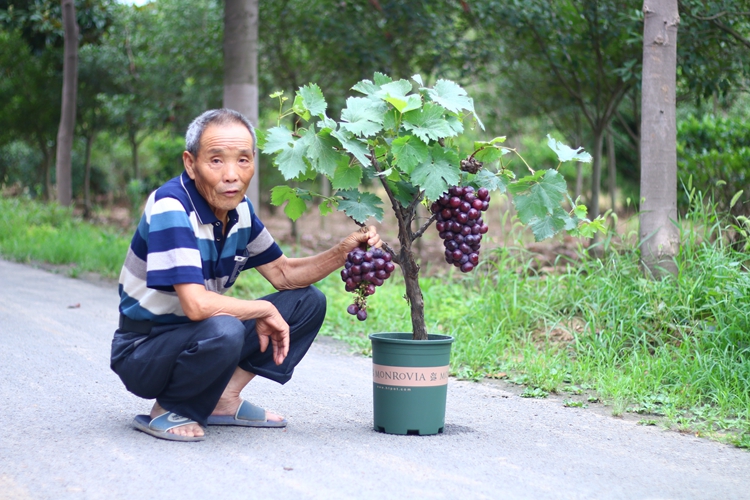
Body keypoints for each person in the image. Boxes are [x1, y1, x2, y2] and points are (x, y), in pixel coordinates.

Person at [110, 108, 381, 442]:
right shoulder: (172, 206)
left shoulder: (239, 211)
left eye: (243, 160)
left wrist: (343, 252)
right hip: (144, 351)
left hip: (199, 335)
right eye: (216, 161)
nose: (231, 175)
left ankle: (222, 400)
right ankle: (167, 408)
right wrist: (264, 310)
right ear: (190, 163)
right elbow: (195, 306)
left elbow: (284, 275)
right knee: (223, 327)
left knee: (306, 301)